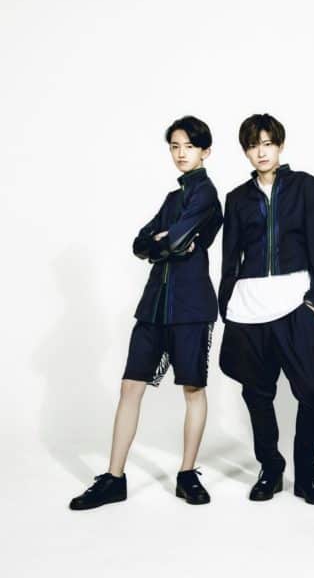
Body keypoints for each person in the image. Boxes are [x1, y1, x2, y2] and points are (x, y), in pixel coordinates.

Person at [69, 115, 223, 510]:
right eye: (174, 146)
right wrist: (163, 242)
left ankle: (187, 474)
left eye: (189, 146)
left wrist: (167, 240)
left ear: (205, 151)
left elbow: (177, 239)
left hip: (191, 306)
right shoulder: (172, 199)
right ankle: (114, 478)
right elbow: (140, 243)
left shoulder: (207, 194)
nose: (181, 153)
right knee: (130, 387)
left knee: (193, 389)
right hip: (154, 305)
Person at [218, 113, 314, 504]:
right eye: (254, 146)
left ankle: (307, 475)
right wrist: (226, 304)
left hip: (293, 302)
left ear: (280, 145)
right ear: (246, 152)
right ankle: (270, 470)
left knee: (311, 392)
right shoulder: (237, 198)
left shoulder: (306, 187)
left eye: (268, 144)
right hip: (248, 307)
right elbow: (230, 256)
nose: (261, 152)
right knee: (256, 394)